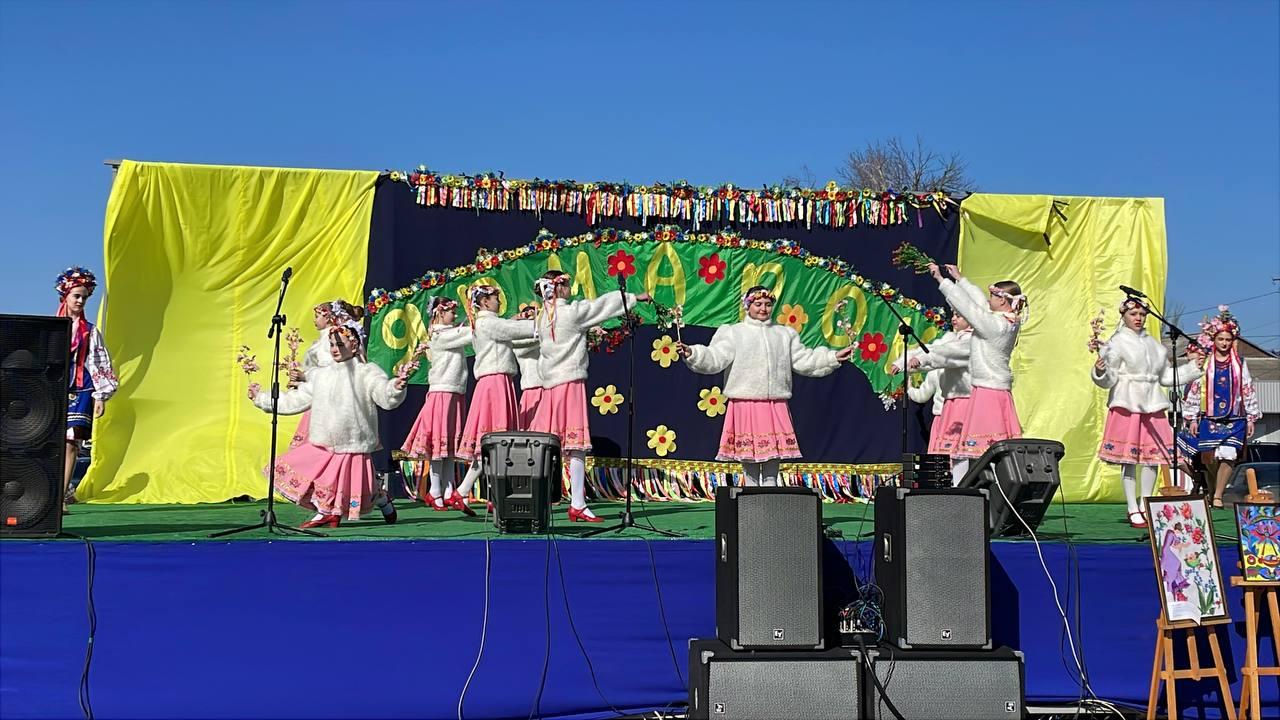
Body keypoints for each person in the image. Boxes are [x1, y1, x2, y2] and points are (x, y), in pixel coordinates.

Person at [676, 286, 854, 486]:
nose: (763, 308)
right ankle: (751, 496)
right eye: (758, 304)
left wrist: (832, 357)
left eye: (768, 304)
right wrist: (693, 353)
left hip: (774, 404)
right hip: (745, 403)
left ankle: (771, 495)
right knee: (749, 456)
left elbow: (804, 359)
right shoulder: (735, 333)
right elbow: (716, 356)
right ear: (747, 306)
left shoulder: (783, 334)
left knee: (773, 456)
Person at [248, 320, 404, 527]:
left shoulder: (366, 372)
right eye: (331, 345)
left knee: (359, 488)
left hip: (352, 441)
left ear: (354, 346)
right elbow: (296, 399)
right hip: (324, 440)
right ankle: (328, 511)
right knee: (321, 476)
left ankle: (377, 500)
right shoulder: (321, 374)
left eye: (340, 345)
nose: (335, 349)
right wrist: (262, 399)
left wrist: (396, 387)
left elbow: (384, 395)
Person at [528, 270, 651, 522]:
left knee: (546, 446)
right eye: (566, 284)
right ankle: (577, 503)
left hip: (549, 387)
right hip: (569, 383)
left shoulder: (542, 317)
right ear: (558, 288)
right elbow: (600, 307)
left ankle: (534, 499)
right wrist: (633, 297)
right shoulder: (569, 313)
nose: (569, 288)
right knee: (576, 446)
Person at [1091, 297, 1199, 527]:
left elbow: (1166, 377)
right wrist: (1100, 371)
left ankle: (1145, 503)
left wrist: (1192, 368)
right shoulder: (1116, 342)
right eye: (1133, 314)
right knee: (1129, 459)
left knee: (1153, 458)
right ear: (1124, 316)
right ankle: (1132, 507)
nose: (1138, 318)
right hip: (1128, 403)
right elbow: (1109, 380)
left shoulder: (1154, 345)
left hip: (1153, 404)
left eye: (1142, 314)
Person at [911, 263, 1025, 460]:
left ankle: (971, 479)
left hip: (989, 391)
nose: (988, 299)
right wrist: (960, 279)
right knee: (979, 451)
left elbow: (970, 309)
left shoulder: (995, 325)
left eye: (993, 296)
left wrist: (941, 280)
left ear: (1002, 300)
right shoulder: (1008, 321)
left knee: (978, 452)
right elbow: (980, 304)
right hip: (994, 389)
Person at [452, 286, 536, 514]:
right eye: (495, 298)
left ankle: (470, 492)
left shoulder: (485, 323)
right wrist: (546, 322)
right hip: (495, 383)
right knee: (497, 442)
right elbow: (512, 330)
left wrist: (515, 321)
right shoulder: (489, 323)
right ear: (485, 302)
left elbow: (507, 327)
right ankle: (484, 494)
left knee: (495, 445)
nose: (499, 301)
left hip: (496, 382)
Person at [1180, 306, 1261, 508]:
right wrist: (1191, 418)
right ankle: (1211, 489)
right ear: (1213, 340)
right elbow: (1196, 389)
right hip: (1209, 417)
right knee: (1209, 458)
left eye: (1228, 339)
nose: (1224, 343)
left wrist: (1251, 417)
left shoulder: (1239, 363)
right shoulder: (1206, 363)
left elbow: (1247, 388)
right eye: (1221, 339)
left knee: (1229, 454)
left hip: (1235, 417)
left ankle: (1217, 495)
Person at [401, 297, 473, 512]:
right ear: (440, 313)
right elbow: (470, 333)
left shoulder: (449, 333)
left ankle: (449, 490)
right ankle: (435, 490)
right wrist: (482, 320)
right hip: (442, 392)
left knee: (449, 445)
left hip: (454, 391)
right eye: (451, 312)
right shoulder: (441, 335)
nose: (455, 315)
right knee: (438, 446)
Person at [55, 266, 117, 511]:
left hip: (80, 390)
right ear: (65, 295)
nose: (80, 301)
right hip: (52, 388)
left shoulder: (90, 331)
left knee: (71, 442)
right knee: (47, 441)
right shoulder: (50, 328)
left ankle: (60, 498)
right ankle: (44, 495)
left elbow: (99, 362)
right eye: (76, 296)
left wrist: (100, 395)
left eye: (84, 297)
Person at [892, 309, 973, 485]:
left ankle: (959, 488)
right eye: (953, 315)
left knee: (959, 453)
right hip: (945, 412)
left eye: (959, 315)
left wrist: (921, 361)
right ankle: (945, 489)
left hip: (964, 404)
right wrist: (902, 363)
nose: (954, 319)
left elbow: (942, 354)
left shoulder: (972, 342)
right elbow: (932, 350)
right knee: (946, 456)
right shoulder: (949, 340)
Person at [512, 302, 543, 429]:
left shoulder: (542, 336)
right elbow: (521, 348)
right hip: (531, 387)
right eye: (527, 316)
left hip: (546, 385)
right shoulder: (518, 339)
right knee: (531, 427)